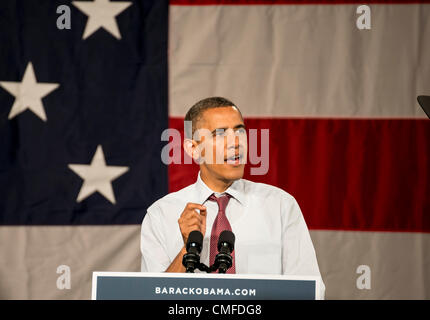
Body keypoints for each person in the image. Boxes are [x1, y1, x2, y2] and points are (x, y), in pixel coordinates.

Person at [140, 97, 325, 298]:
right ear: (193, 149)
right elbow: (154, 296)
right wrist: (187, 249)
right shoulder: (160, 214)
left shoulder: (280, 206)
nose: (236, 143)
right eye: (219, 134)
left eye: (240, 131)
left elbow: (309, 291)